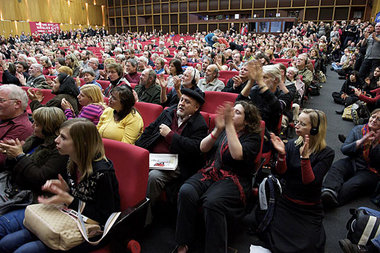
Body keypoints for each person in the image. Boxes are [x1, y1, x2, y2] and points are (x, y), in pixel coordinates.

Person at [0, 118, 120, 252]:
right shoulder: (71, 159)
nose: (56, 140)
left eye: (63, 137)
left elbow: (106, 217)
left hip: (92, 229)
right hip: (68, 216)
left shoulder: (102, 172)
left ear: (82, 143)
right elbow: (78, 194)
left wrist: (69, 199)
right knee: (6, 243)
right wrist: (66, 191)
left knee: (24, 251)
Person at [174, 101, 262, 253]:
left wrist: (228, 125)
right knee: (186, 191)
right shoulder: (222, 129)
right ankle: (183, 242)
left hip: (235, 178)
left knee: (212, 202)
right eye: (232, 111)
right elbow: (203, 147)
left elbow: (237, 154)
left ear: (247, 121)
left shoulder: (253, 137)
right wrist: (217, 129)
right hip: (212, 171)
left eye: (238, 112)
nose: (232, 114)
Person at [261, 109, 334, 253]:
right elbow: (280, 173)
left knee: (309, 245)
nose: (296, 126)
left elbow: (310, 183)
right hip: (287, 201)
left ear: (314, 129)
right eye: (297, 122)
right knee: (272, 235)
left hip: (308, 207)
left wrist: (305, 159)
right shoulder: (292, 144)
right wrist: (281, 155)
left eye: (302, 124)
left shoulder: (327, 153)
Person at [135, 89, 208, 217]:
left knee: (153, 177)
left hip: (176, 163)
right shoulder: (169, 112)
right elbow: (150, 130)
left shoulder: (199, 124)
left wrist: (170, 135)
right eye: (181, 100)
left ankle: (143, 219)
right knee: (133, 165)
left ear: (196, 107)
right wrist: (138, 150)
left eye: (187, 102)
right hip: (154, 157)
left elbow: (195, 148)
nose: (181, 104)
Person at [0, 107, 68, 193]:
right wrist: (11, 155)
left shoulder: (59, 149)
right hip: (14, 186)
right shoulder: (34, 140)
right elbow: (10, 168)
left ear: (48, 128)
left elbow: (40, 178)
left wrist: (20, 156)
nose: (32, 126)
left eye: (37, 124)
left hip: (35, 194)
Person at [321, 109, 380, 207]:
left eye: (379, 119)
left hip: (370, 170)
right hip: (353, 162)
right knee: (337, 167)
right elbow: (344, 149)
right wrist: (360, 142)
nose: (374, 120)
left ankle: (328, 201)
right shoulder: (358, 130)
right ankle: (328, 190)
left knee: (354, 184)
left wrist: (375, 145)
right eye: (373, 117)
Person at [0, 85, 33, 168]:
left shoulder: (23, 128)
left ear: (17, 104)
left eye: (1, 100)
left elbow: (1, 159)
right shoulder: (4, 116)